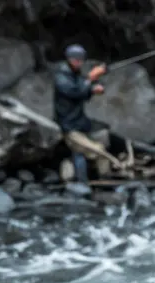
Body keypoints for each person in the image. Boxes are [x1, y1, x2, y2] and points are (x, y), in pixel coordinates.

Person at [54, 44, 110, 183]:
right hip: (68, 126)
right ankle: (105, 180)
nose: (79, 62)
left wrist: (94, 88)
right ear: (69, 59)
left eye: (81, 60)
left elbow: (82, 91)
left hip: (80, 122)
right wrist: (90, 79)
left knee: (104, 134)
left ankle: (100, 178)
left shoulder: (75, 74)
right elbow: (74, 92)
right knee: (100, 151)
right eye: (76, 59)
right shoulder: (61, 75)